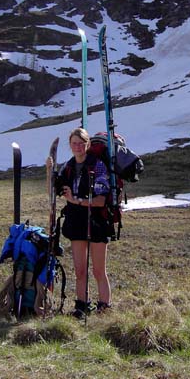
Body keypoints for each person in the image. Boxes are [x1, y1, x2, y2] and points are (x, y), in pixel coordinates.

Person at [46, 127, 112, 318]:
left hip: (97, 222)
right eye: (74, 143)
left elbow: (101, 200)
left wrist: (78, 201)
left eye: (81, 143)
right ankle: (81, 306)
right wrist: (49, 170)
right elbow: (53, 191)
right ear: (70, 145)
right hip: (76, 223)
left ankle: (104, 308)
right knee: (80, 270)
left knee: (99, 271)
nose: (78, 147)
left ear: (87, 144)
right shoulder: (68, 167)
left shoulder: (98, 166)